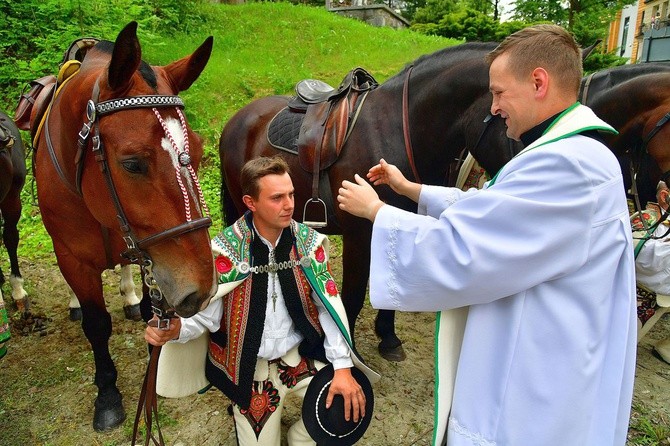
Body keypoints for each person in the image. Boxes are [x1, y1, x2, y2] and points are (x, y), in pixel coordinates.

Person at [337, 24, 637, 445]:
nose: (493, 107)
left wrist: (379, 212)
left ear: (538, 82)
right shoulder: (567, 155)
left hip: (533, 392)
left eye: (499, 92)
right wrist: (410, 189)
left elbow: (467, 249)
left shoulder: (567, 168)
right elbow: (496, 214)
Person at [146, 156, 377, 445]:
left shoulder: (307, 243)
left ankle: (299, 437)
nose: (290, 204)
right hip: (251, 372)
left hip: (300, 360)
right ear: (250, 202)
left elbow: (327, 307)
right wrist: (176, 330)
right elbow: (208, 317)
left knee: (345, 409)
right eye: (277, 197)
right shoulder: (224, 252)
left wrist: (342, 367)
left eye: (291, 194)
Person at [633, 180, 670, 363]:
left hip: (657, 303)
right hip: (633, 296)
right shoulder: (648, 218)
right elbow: (636, 255)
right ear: (665, 196)